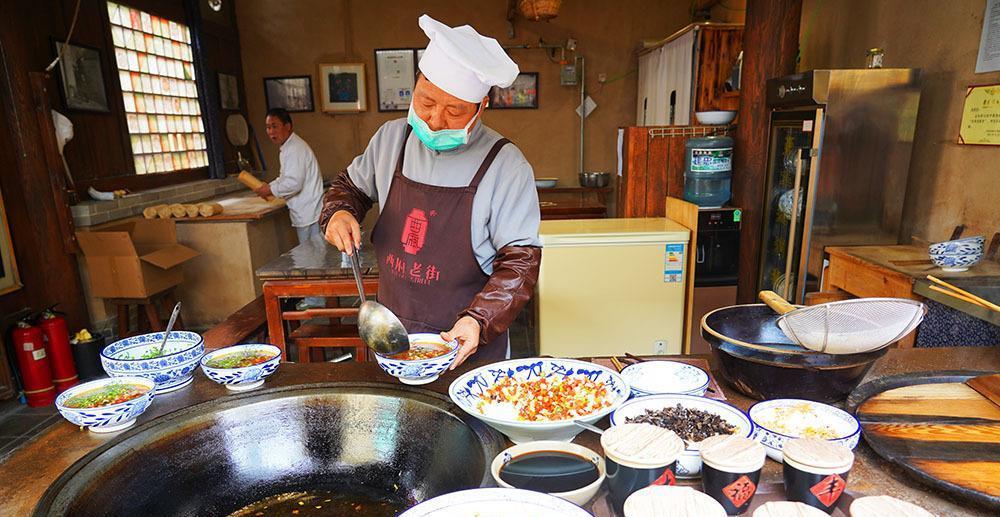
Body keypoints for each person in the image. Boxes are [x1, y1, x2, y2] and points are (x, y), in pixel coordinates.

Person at [322, 15, 542, 369]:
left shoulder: (505, 165)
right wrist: (339, 212)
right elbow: (349, 187)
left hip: (468, 349)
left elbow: (520, 263)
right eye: (426, 102)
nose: (435, 120)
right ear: (417, 85)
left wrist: (479, 320)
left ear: (480, 108)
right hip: (391, 339)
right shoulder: (391, 140)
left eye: (455, 111)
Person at [257, 108, 324, 244]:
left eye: (274, 126)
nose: (271, 132)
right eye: (268, 127)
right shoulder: (288, 148)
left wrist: (271, 190)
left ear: (287, 126)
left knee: (313, 258)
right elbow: (285, 177)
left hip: (309, 212)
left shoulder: (295, 148)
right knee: (312, 257)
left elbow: (294, 183)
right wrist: (270, 186)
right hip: (306, 212)